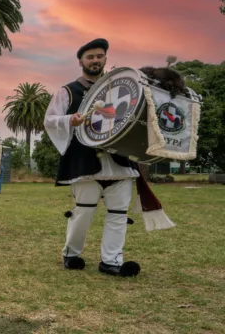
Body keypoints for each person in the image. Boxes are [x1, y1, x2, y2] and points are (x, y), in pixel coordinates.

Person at [43, 38, 171, 277]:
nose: (95, 60)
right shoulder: (68, 91)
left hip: (120, 162)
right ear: (81, 61)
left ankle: (111, 260)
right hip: (85, 163)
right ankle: (71, 254)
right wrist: (70, 120)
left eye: (99, 56)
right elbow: (50, 120)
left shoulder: (122, 87)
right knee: (83, 211)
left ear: (105, 58)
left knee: (118, 213)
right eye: (90, 57)